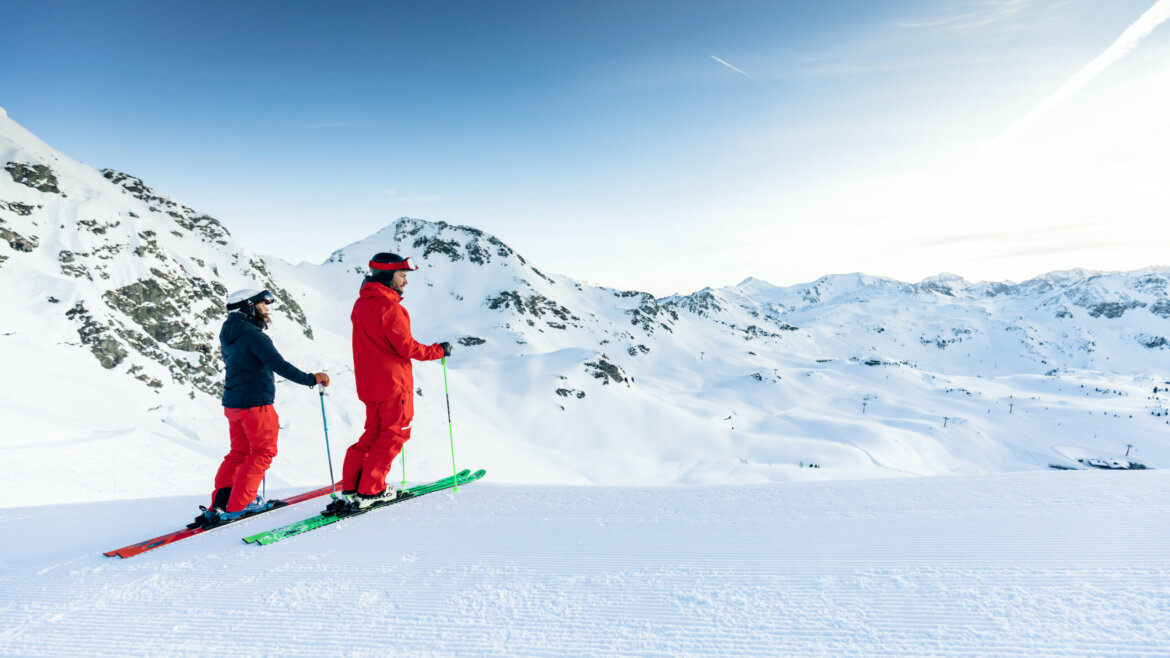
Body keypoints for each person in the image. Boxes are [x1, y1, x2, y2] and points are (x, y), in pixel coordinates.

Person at [204, 288, 330, 522]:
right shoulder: (254, 336)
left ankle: (220, 503)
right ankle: (241, 504)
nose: (266, 308)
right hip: (256, 405)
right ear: (248, 307)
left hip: (233, 403)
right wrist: (311, 379)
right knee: (263, 452)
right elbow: (279, 365)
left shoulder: (228, 331)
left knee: (238, 453)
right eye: (262, 304)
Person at [339, 253, 451, 508]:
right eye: (402, 276)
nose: (405, 282)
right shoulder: (390, 308)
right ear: (387, 275)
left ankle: (353, 486)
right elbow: (407, 347)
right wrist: (438, 351)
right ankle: (372, 490)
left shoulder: (361, 304)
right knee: (393, 436)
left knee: (373, 434)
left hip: (370, 384)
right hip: (393, 384)